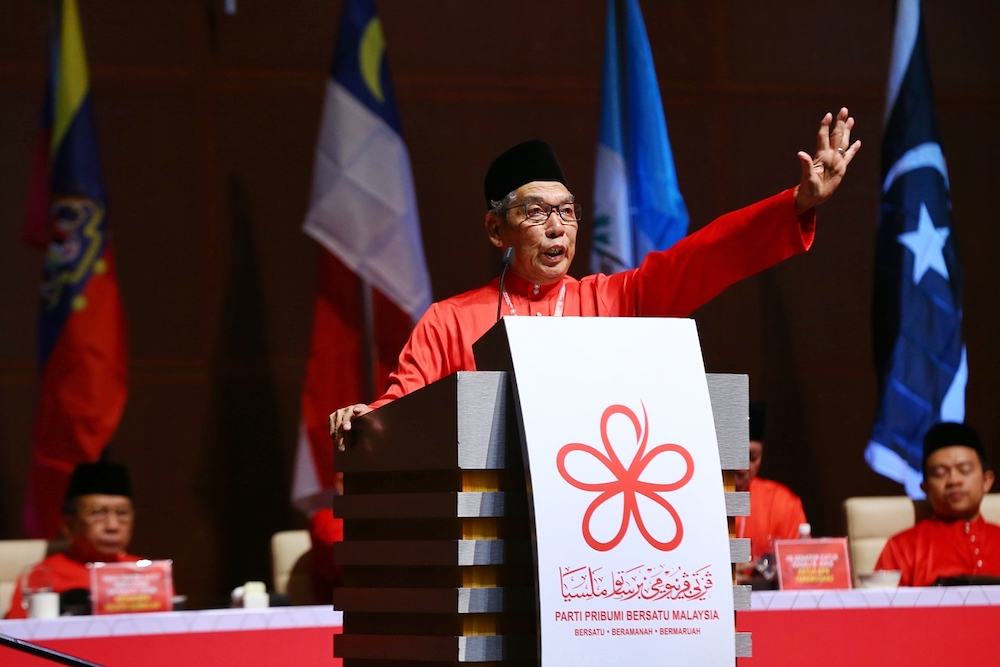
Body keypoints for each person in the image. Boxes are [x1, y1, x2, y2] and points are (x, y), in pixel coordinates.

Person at [330, 108, 862, 449]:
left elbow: (705, 256)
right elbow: (404, 412)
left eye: (567, 211)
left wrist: (796, 205)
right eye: (536, 213)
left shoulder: (615, 300)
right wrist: (366, 419)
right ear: (497, 230)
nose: (557, 227)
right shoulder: (449, 321)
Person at [6, 462, 142, 618]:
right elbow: (16, 637)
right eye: (98, 513)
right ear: (68, 525)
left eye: (122, 513)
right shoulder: (43, 576)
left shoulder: (147, 573)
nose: (113, 526)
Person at [875, 422, 1000, 586]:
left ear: (986, 481)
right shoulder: (903, 547)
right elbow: (882, 609)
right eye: (940, 473)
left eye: (965, 469)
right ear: (925, 488)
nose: (954, 481)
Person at [734, 402, 807, 570]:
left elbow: (796, 567)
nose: (742, 467)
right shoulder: (693, 501)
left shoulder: (783, 503)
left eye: (752, 457)